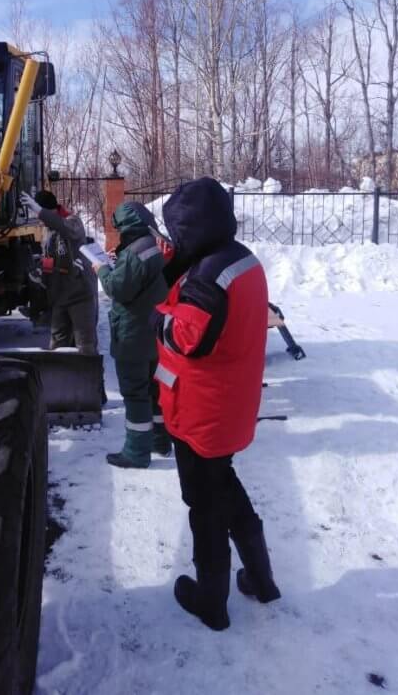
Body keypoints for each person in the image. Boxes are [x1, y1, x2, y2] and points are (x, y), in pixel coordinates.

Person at [152, 178, 281, 631]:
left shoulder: (208, 276)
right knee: (225, 488)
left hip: (200, 412)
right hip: (229, 403)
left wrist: (157, 319)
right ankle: (261, 580)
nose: (173, 239)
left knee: (204, 506)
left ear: (193, 228)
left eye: (176, 231)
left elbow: (188, 338)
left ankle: (211, 601)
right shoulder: (241, 259)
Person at [91, 202, 169, 468]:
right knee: (154, 389)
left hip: (133, 333)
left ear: (126, 226)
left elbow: (118, 289)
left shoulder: (135, 252)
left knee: (135, 393)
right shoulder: (149, 245)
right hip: (151, 330)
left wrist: (101, 269)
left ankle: (137, 453)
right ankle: (160, 441)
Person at [20, 190, 98, 355]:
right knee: (57, 345)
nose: (41, 221)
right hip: (60, 296)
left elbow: (63, 227)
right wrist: (41, 272)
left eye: (42, 215)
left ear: (50, 211)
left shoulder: (73, 222)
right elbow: (52, 260)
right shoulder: (49, 231)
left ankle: (87, 371)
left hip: (80, 295)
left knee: (85, 345)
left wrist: (39, 210)